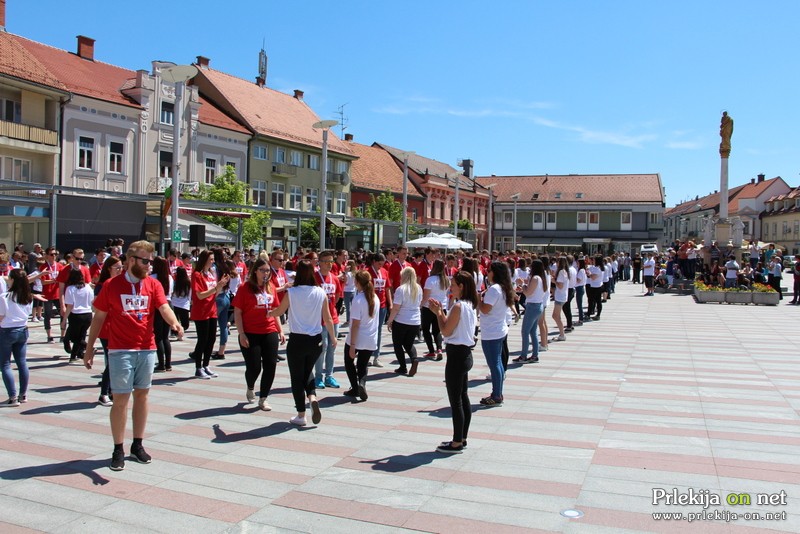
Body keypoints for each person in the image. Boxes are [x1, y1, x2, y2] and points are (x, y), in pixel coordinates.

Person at [84, 240, 184, 471]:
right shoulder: (111, 285)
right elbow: (98, 318)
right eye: (145, 261)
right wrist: (89, 350)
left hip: (146, 349)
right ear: (131, 260)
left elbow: (164, 307)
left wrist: (175, 324)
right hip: (120, 351)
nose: (150, 265)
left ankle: (137, 444)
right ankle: (118, 448)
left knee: (142, 396)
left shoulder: (153, 285)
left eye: (151, 261)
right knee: (120, 400)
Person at [269, 259, 336, 427]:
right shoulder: (320, 292)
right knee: (308, 372)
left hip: (297, 339)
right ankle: (312, 397)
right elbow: (327, 318)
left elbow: (279, 311)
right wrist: (333, 338)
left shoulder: (292, 292)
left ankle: (301, 414)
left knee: (297, 378)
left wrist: (267, 313)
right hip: (316, 339)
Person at [429, 271, 478, 454]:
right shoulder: (470, 304)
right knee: (463, 398)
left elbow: (446, 331)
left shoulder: (458, 306)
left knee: (456, 400)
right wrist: (441, 312)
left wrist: (438, 313)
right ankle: (462, 437)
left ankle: (457, 441)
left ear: (462, 287)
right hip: (464, 353)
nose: (451, 287)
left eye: (454, 284)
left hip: (457, 355)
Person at [233, 259, 284, 411]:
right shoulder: (245, 288)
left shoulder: (271, 287)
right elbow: (237, 312)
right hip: (250, 333)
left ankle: (263, 398)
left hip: (269, 331)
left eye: (267, 270)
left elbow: (275, 311)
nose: (265, 273)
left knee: (270, 365)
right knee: (254, 367)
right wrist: (241, 333)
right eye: (262, 270)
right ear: (255, 271)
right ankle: (250, 387)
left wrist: (280, 330)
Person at [0, 270, 41, 406]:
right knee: (22, 362)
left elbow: (1, 317)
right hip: (22, 330)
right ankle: (22, 395)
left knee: (5, 364)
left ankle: (12, 397)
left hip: (7, 331)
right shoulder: (27, 296)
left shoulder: (5, 296)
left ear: (12, 280)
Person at [478, 262, 514, 406]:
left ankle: (496, 395)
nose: (487, 273)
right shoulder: (504, 288)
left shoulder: (494, 289)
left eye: (489, 271)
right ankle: (497, 393)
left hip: (492, 331)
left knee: (494, 364)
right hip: (498, 329)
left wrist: (478, 300)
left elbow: (486, 309)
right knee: (497, 363)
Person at [190, 250, 229, 379]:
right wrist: (216, 287)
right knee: (202, 339)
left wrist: (220, 286)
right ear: (204, 260)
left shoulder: (211, 274)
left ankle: (206, 365)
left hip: (212, 309)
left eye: (213, 259)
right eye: (211, 259)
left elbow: (214, 294)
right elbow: (200, 295)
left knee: (211, 339)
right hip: (201, 311)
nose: (213, 262)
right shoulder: (197, 275)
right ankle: (198, 367)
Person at [343, 270, 380, 401]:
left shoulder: (358, 300)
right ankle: (362, 384)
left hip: (358, 337)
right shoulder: (375, 298)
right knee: (362, 365)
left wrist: (353, 345)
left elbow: (355, 325)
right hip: (370, 338)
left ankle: (355, 388)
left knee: (349, 362)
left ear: (358, 282)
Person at [94, 256, 123, 406]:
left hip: (117, 327)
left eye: (121, 267)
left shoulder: (119, 284)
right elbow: (97, 308)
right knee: (112, 361)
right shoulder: (103, 285)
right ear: (108, 269)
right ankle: (104, 393)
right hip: (106, 328)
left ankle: (111, 391)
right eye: (116, 268)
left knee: (115, 361)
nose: (120, 270)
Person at [313, 250, 343, 389]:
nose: (330, 264)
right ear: (320, 263)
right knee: (322, 348)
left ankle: (329, 376)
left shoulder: (334, 278)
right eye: (327, 262)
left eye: (331, 261)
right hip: (318, 320)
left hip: (333, 318)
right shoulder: (314, 278)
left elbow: (337, 297)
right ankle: (318, 376)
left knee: (332, 346)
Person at [387, 266, 422, 376]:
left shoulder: (401, 289)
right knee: (408, 343)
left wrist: (390, 320)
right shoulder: (418, 288)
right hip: (415, 321)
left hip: (401, 320)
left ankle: (403, 366)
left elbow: (396, 307)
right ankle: (414, 359)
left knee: (397, 344)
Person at [516, 259, 546, 363]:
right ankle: (534, 355)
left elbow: (528, 293)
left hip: (533, 306)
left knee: (525, 331)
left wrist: (523, 285)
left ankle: (524, 356)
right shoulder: (541, 278)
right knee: (533, 331)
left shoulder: (535, 278)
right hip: (538, 305)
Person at [63, 268, 94, 364]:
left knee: (74, 337)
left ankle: (88, 346)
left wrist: (64, 319)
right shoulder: (88, 287)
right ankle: (73, 357)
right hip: (88, 314)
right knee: (80, 336)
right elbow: (92, 302)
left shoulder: (70, 288)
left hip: (76, 315)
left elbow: (69, 305)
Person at [366, 253, 391, 368]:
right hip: (370, 305)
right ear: (374, 262)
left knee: (379, 330)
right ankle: (365, 355)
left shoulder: (384, 272)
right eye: (379, 264)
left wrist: (390, 303)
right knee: (368, 329)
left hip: (382, 306)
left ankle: (376, 356)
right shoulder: (367, 272)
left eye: (382, 264)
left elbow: (387, 289)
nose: (381, 266)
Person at [421, 259, 448, 360]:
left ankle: (431, 351)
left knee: (426, 329)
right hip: (442, 306)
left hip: (429, 306)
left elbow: (426, 296)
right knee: (437, 330)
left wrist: (420, 305)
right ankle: (439, 348)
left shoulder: (430, 280)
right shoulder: (446, 280)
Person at [151, 257, 173, 372]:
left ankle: (161, 364)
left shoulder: (152, 277)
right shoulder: (169, 277)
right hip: (169, 304)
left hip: (158, 306)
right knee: (165, 337)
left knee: (158, 337)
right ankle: (168, 363)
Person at [550, 256, 569, 342]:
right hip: (562, 296)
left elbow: (560, 285)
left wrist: (554, 281)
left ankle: (562, 334)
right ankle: (561, 333)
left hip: (560, 296)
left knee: (555, 316)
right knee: (557, 316)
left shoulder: (561, 272)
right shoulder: (565, 271)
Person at [171, 267, 190, 341]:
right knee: (185, 323)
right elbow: (189, 293)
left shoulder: (175, 281)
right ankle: (180, 332)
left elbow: (172, 292)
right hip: (184, 304)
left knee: (175, 320)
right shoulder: (188, 282)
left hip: (175, 303)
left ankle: (177, 333)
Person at [342, 259, 356, 325]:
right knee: (353, 306)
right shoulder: (355, 273)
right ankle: (353, 318)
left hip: (346, 291)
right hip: (353, 291)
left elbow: (346, 282)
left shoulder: (347, 273)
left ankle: (348, 320)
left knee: (348, 307)